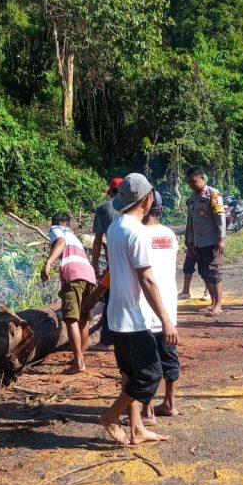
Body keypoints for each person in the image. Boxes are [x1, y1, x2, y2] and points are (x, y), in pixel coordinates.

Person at [99, 174, 178, 445]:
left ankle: (136, 430)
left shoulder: (115, 226)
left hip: (116, 315)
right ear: (148, 199)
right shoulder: (137, 232)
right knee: (150, 374)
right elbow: (147, 279)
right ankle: (110, 417)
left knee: (130, 375)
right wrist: (166, 319)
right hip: (133, 317)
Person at [139, 192, 180, 420]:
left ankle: (147, 410)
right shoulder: (170, 235)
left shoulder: (138, 234)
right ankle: (170, 403)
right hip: (168, 307)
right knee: (168, 355)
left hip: (145, 307)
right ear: (161, 210)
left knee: (146, 360)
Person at [41, 213, 97, 373]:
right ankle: (80, 357)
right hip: (89, 274)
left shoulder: (57, 230)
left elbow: (61, 242)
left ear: (55, 224)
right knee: (84, 318)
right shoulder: (74, 236)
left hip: (73, 274)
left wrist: (48, 263)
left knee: (71, 318)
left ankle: (79, 363)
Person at [184, 166, 226, 316]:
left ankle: (218, 305)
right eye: (189, 182)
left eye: (194, 181)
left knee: (214, 273)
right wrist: (189, 241)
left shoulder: (213, 195)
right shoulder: (192, 199)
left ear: (202, 178)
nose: (192, 185)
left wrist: (222, 239)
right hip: (198, 242)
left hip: (211, 241)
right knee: (204, 273)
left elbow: (220, 218)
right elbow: (190, 222)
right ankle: (212, 302)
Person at [90, 177, 123, 346]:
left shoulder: (104, 209)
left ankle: (107, 339)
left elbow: (97, 241)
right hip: (133, 260)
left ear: (110, 191)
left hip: (114, 262)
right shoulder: (133, 207)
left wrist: (94, 266)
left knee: (110, 298)